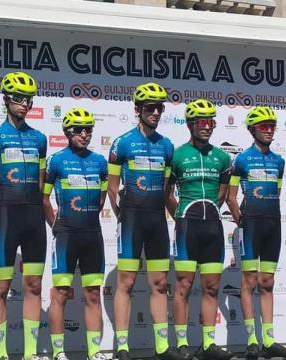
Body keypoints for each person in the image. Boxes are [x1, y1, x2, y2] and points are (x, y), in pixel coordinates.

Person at [108, 83, 178, 360]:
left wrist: (178, 218)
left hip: (157, 221)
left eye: (160, 107)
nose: (156, 112)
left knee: (159, 284)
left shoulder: (167, 145)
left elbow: (166, 190)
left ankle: (162, 346)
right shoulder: (122, 143)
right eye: (150, 107)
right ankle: (122, 347)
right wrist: (120, 216)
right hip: (132, 220)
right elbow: (112, 187)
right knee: (125, 282)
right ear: (137, 109)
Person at [0, 71, 48, 360]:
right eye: (19, 99)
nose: (24, 104)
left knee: (33, 285)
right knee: (1, 286)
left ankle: (31, 352)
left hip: (33, 219)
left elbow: (42, 184)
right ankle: (1, 354)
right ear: (6, 100)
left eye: (28, 100)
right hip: (6, 218)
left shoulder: (39, 138)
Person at [226, 106, 286, 360]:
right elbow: (231, 196)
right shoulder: (242, 160)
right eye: (263, 127)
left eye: (272, 127)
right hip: (251, 226)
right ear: (252, 130)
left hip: (272, 224)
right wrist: (240, 220)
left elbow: (276, 193)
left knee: (267, 282)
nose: (269, 131)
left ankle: (268, 340)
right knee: (249, 281)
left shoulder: (279, 161)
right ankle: (252, 341)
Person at [167, 99, 233, 360]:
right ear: (190, 125)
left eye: (211, 122)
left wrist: (210, 212)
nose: (207, 127)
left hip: (213, 227)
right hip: (187, 226)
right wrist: (181, 217)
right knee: (183, 285)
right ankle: (182, 344)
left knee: (212, 287)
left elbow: (223, 193)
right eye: (202, 122)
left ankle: (208, 344)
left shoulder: (222, 157)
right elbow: (167, 193)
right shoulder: (177, 155)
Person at [43, 108, 108, 360]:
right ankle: (59, 351)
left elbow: (102, 197)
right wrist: (56, 226)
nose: (84, 134)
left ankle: (94, 351)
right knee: (60, 293)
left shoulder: (100, 162)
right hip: (66, 235)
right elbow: (44, 198)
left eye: (88, 129)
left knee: (92, 293)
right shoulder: (56, 161)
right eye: (79, 130)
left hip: (92, 234)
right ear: (67, 132)